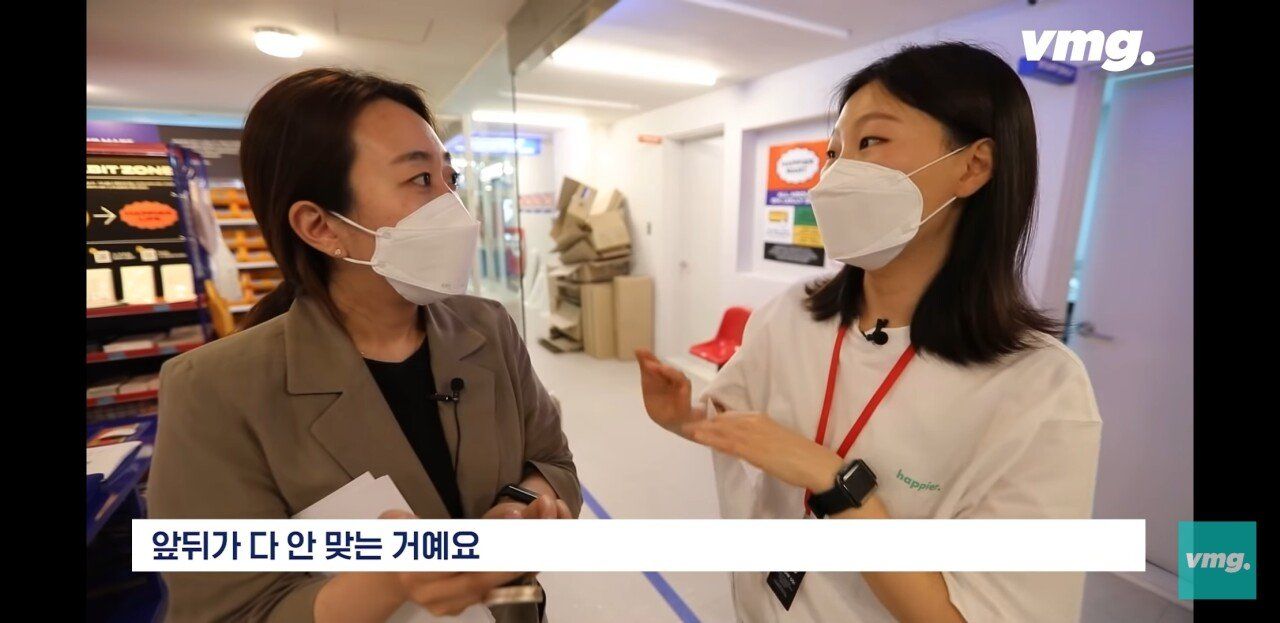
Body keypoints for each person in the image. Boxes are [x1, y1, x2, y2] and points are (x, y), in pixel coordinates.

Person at [637, 42, 1101, 622]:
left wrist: (836, 483)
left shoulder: (1041, 391)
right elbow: (740, 422)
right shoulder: (792, 313)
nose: (836, 174)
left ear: (973, 166)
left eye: (871, 141)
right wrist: (684, 418)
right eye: (833, 152)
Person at [148, 68, 581, 622]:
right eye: (420, 179)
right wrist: (388, 581)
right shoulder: (213, 391)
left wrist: (520, 507)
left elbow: (551, 460)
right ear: (320, 226)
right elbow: (224, 610)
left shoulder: (488, 327)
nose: (455, 209)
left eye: (449, 178)